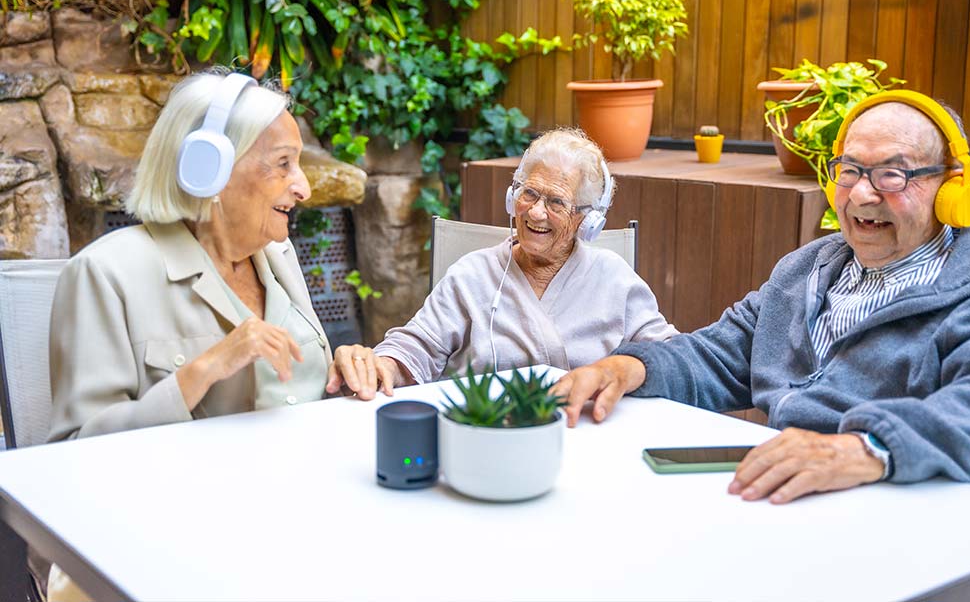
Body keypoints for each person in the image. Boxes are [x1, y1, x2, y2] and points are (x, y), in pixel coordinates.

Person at [552, 90, 970, 504]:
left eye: (891, 175)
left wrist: (865, 449)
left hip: (900, 508)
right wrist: (630, 366)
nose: (863, 194)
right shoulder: (807, 268)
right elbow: (722, 355)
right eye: (849, 171)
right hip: (785, 497)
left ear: (952, 186)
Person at [47, 69, 334, 443]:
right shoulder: (104, 273)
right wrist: (205, 370)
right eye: (283, 164)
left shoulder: (277, 254)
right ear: (209, 169)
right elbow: (75, 448)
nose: (304, 189)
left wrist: (342, 377)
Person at [329, 128, 678, 397]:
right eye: (530, 193)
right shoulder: (472, 275)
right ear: (513, 197)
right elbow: (418, 345)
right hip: (485, 433)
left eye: (556, 202)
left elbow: (670, 356)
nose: (536, 212)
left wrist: (623, 369)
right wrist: (381, 366)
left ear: (587, 221)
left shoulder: (614, 278)